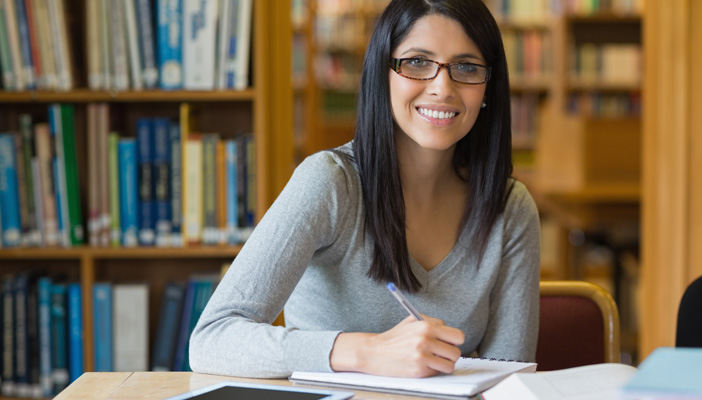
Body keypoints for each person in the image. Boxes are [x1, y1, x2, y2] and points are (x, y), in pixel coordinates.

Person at [190, 0, 540, 379]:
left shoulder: (510, 207)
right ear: (382, 73)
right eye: (418, 62)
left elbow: (509, 378)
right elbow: (212, 339)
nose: (442, 88)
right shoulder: (329, 182)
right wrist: (366, 351)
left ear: (488, 86)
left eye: (467, 67)